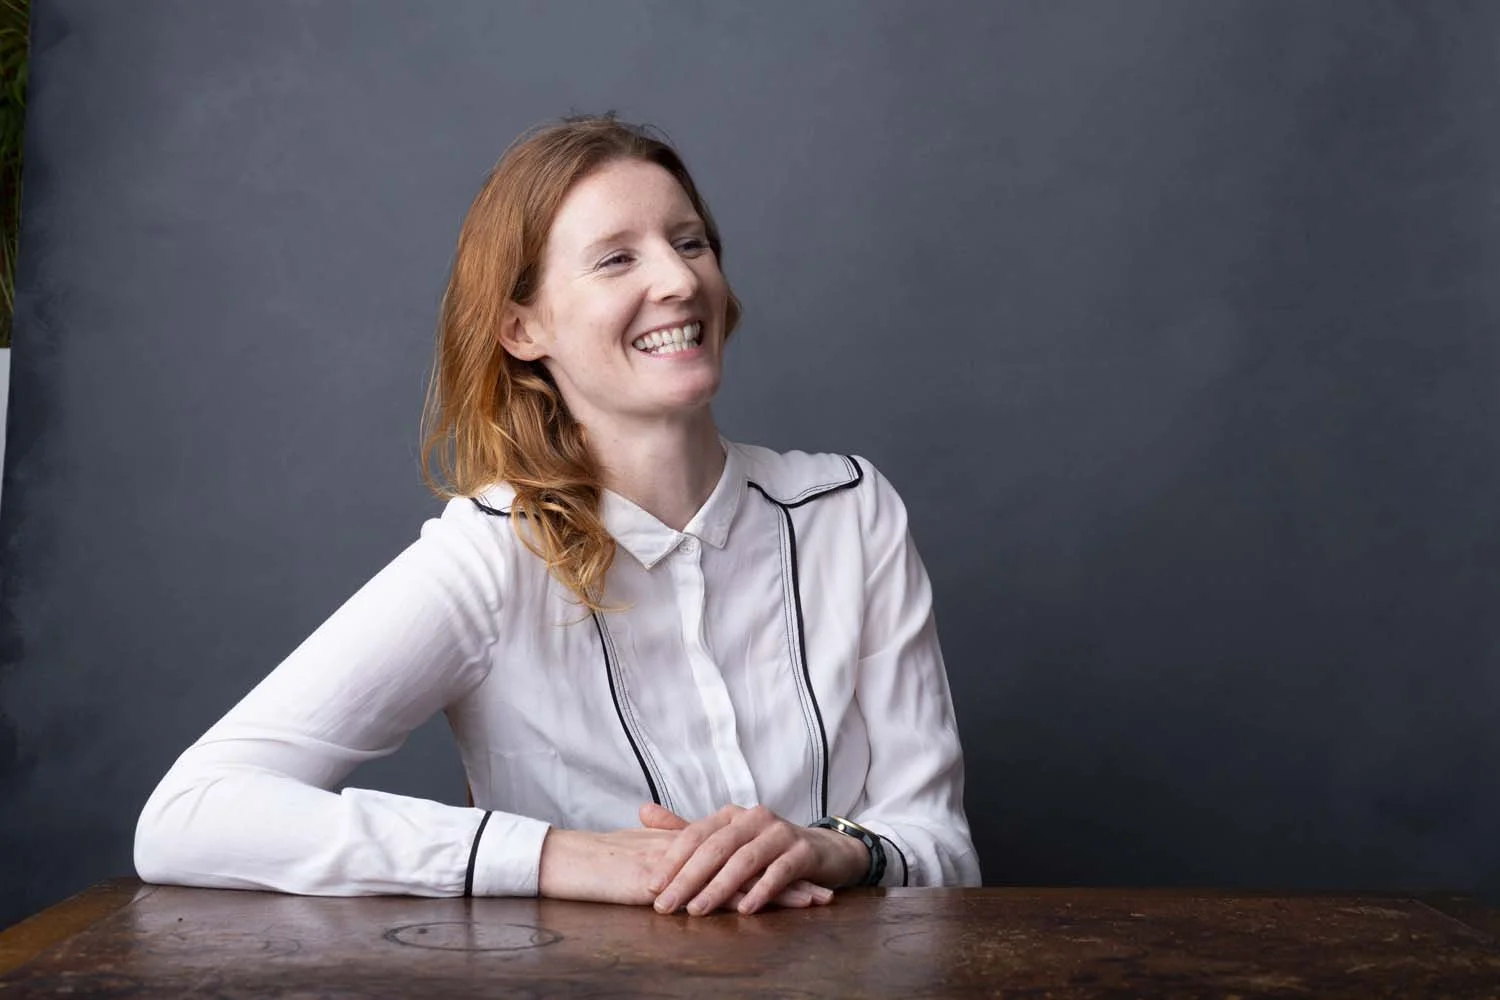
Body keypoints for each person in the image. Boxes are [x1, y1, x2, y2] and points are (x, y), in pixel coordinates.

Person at [134, 115, 981, 916]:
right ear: (521, 326)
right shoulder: (491, 553)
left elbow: (943, 847)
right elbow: (190, 814)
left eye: (691, 243)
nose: (680, 279)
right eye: (616, 259)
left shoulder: (851, 511)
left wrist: (832, 850)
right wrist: (563, 858)